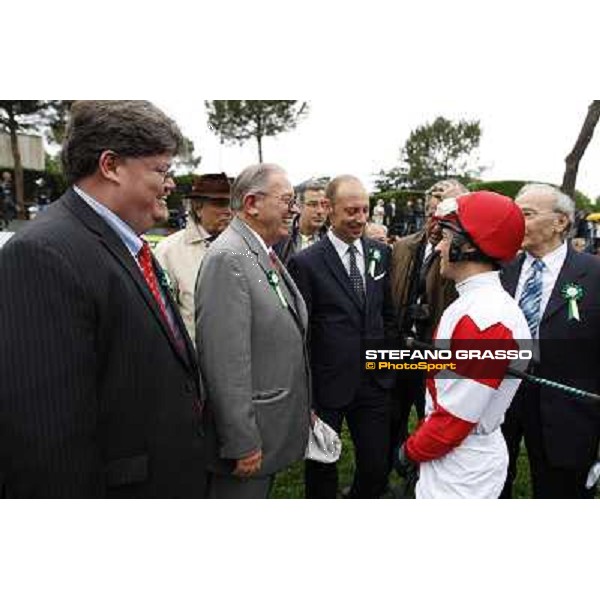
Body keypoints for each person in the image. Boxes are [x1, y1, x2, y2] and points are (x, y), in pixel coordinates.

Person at [0, 101, 207, 498]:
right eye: (161, 170)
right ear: (110, 166)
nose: (169, 184)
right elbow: (47, 442)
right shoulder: (44, 254)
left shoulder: (125, 245)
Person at [395, 191, 531, 498]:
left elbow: (454, 421)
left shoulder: (484, 317)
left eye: (445, 237)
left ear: (467, 245)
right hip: (459, 460)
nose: (440, 246)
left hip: (460, 470)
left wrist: (409, 451)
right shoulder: (478, 303)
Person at [195, 163, 311, 499]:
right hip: (250, 442)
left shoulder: (256, 251)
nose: (295, 210)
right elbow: (224, 363)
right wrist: (241, 441)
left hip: (269, 427)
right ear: (251, 204)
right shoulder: (229, 258)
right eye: (287, 201)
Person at [288, 175, 396, 498]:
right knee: (321, 469)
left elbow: (387, 314)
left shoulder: (381, 253)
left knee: (376, 466)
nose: (360, 219)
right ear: (329, 209)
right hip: (327, 386)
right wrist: (306, 394)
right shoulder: (305, 262)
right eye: (351, 211)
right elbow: (300, 334)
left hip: (375, 382)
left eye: (365, 210)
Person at [500, 183, 600, 498]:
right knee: (492, 483)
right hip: (501, 399)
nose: (516, 221)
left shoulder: (594, 274)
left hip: (568, 408)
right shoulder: (501, 271)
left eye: (526, 214)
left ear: (560, 222)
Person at [388, 180, 465, 457]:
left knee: (432, 420)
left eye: (446, 217)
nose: (436, 223)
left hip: (438, 357)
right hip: (398, 352)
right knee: (390, 418)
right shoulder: (402, 247)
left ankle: (422, 477)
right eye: (432, 214)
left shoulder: (466, 258)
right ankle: (384, 473)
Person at [155, 173, 232, 345]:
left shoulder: (245, 249)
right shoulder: (168, 251)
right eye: (220, 203)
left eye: (232, 204)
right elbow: (162, 319)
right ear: (198, 207)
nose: (228, 211)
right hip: (192, 363)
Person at [273, 178, 328, 265]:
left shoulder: (332, 239)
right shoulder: (280, 236)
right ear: (299, 206)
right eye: (313, 205)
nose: (320, 211)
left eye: (325, 205)